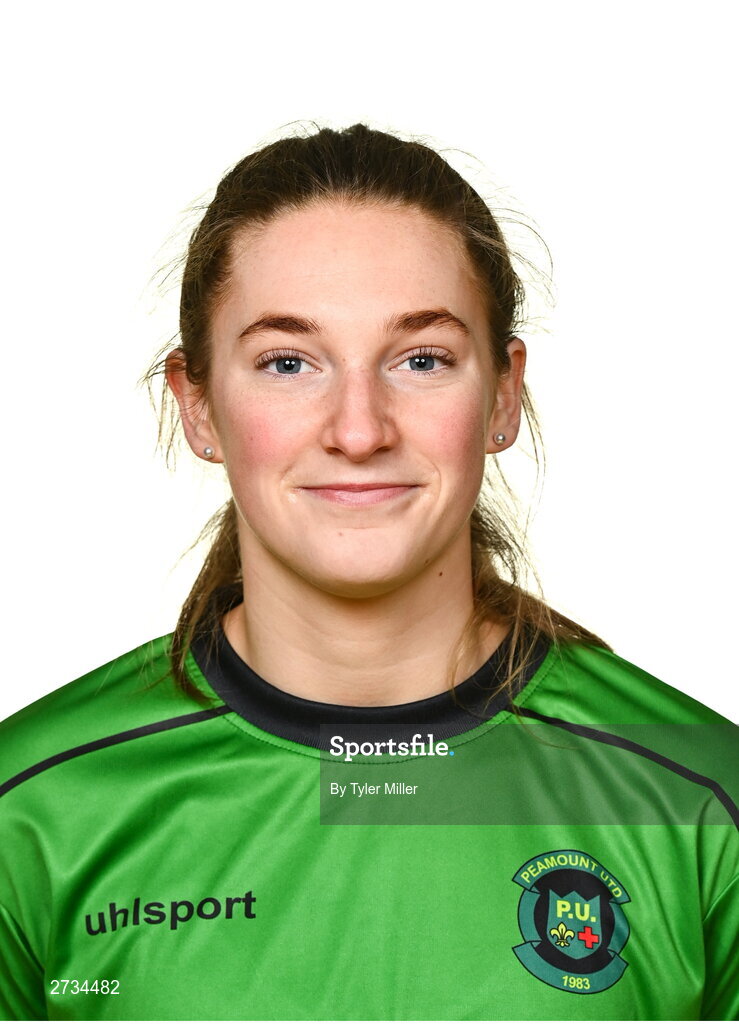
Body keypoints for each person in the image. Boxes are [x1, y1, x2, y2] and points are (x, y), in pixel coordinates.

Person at [0, 123, 736, 1023]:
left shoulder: (699, 800)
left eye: (421, 360)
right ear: (197, 405)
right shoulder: (31, 812)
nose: (358, 430)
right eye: (287, 363)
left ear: (502, 395)